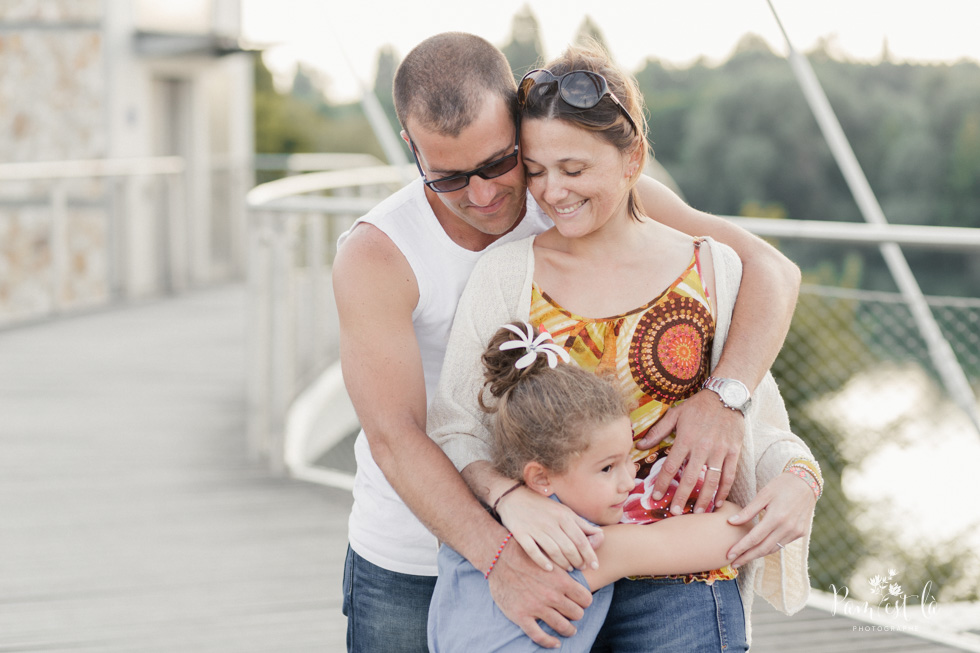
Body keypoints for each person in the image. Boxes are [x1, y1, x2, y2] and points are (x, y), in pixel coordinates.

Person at [332, 32, 802, 652]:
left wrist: (724, 396)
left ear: (516, 123)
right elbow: (397, 437)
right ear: (411, 148)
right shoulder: (378, 254)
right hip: (418, 554)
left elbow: (768, 270)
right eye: (447, 177)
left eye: (501, 164)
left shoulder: (578, 193)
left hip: (586, 542)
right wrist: (500, 549)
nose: (483, 194)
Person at [428, 322, 754, 652]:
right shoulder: (574, 544)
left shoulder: (482, 525)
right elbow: (737, 531)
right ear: (540, 478)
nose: (629, 480)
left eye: (630, 457)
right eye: (607, 467)